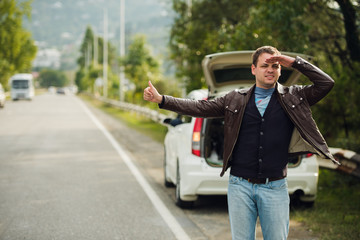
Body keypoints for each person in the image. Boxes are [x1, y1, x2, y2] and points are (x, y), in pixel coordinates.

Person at [143, 46, 340, 240]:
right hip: (240, 187)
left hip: (275, 187)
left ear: (281, 69)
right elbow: (199, 107)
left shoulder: (294, 97)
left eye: (275, 66)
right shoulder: (234, 99)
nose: (270, 70)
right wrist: (162, 99)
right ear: (253, 69)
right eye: (265, 65)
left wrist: (293, 62)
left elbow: (326, 83)